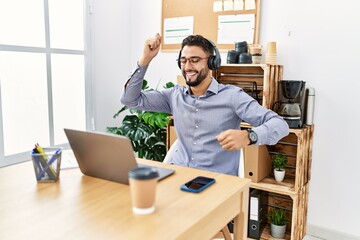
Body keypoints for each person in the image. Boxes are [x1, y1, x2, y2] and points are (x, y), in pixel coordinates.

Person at [121, 33, 289, 176]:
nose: (187, 67)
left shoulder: (232, 96)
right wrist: (145, 59)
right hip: (177, 176)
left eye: (195, 60)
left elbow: (280, 125)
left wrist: (249, 136)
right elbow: (130, 99)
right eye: (183, 60)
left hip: (214, 183)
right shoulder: (174, 95)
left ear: (211, 62)